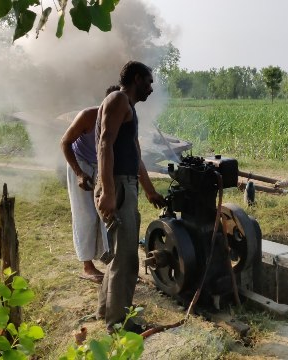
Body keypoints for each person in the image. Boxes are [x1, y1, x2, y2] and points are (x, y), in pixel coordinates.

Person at [94, 61, 166, 332]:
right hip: (117, 186)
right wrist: (109, 192)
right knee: (126, 258)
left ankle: (105, 311)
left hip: (126, 185)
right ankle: (118, 324)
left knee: (119, 254)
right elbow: (104, 145)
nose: (151, 88)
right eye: (148, 82)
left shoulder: (129, 108)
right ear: (137, 79)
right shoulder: (117, 100)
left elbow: (134, 155)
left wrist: (149, 190)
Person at [60, 85, 120, 283]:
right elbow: (65, 143)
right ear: (106, 103)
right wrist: (79, 173)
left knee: (106, 213)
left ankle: (110, 260)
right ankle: (87, 266)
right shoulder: (87, 116)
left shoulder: (122, 118)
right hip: (81, 163)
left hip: (102, 165)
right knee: (85, 214)